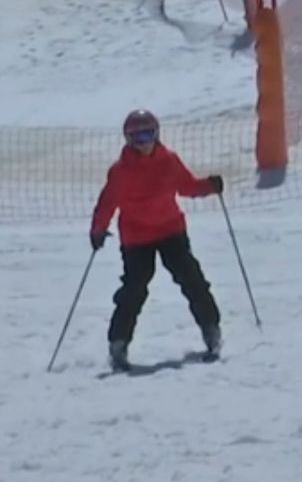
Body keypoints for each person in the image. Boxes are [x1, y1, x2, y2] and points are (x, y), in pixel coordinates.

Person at [89, 109, 225, 370]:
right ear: (128, 139)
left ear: (157, 133)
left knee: (191, 278)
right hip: (137, 237)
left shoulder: (168, 160)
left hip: (170, 230)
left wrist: (209, 186)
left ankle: (211, 329)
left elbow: (187, 186)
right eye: (138, 136)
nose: (145, 141)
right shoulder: (120, 171)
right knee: (134, 289)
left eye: (149, 134)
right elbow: (107, 202)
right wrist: (98, 229)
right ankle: (118, 344)